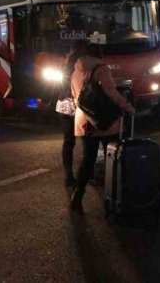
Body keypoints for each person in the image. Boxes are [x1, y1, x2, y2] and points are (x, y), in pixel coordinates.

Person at [69, 44, 135, 211]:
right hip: (105, 121)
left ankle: (77, 196)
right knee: (112, 158)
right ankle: (113, 196)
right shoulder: (101, 68)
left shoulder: (75, 70)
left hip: (84, 120)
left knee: (88, 159)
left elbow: (76, 96)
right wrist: (127, 107)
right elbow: (111, 93)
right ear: (99, 55)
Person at [57, 42, 87, 187]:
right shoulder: (81, 68)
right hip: (79, 107)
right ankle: (88, 173)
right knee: (87, 141)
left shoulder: (64, 68)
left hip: (63, 107)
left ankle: (68, 175)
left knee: (68, 141)